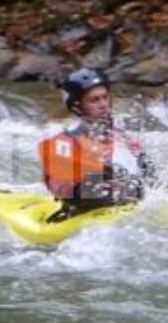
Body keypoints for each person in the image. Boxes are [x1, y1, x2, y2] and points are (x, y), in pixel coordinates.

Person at [38, 68, 156, 222]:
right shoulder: (62, 142)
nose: (103, 105)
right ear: (77, 105)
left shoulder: (123, 138)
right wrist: (104, 182)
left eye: (105, 98)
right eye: (94, 100)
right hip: (82, 215)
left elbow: (151, 180)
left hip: (126, 208)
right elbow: (63, 190)